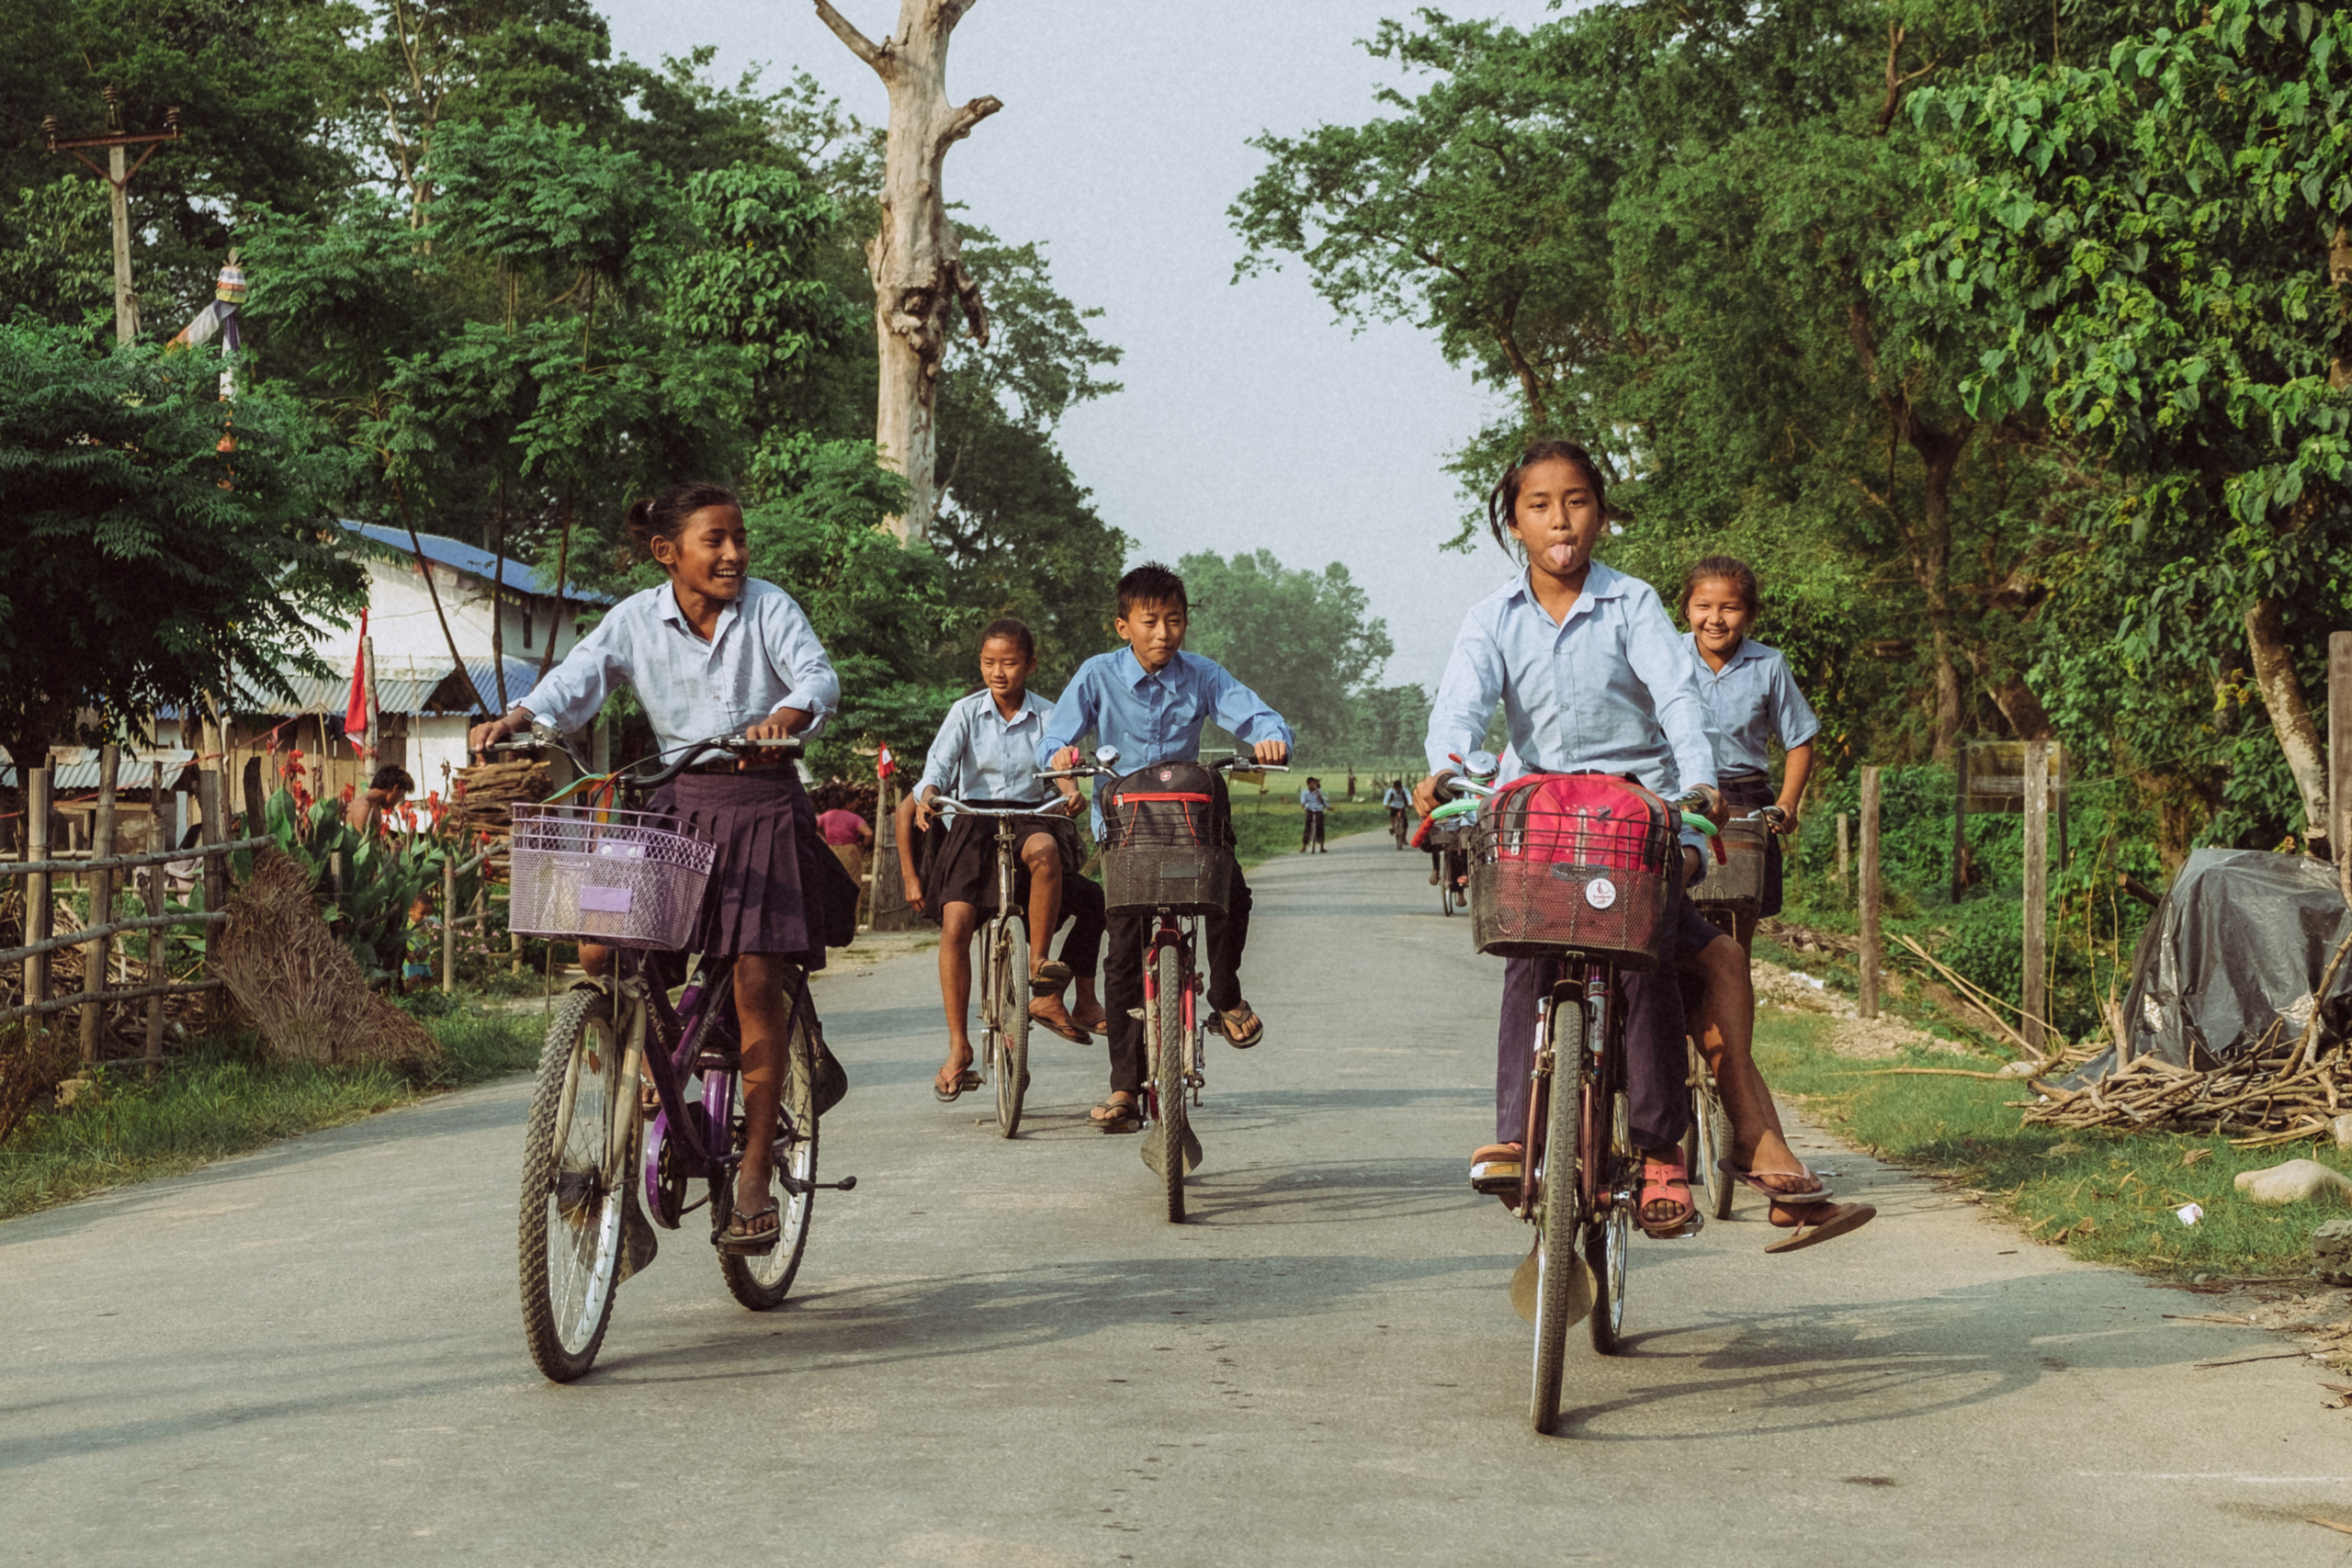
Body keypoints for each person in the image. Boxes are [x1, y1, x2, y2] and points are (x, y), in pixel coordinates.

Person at [1418, 441, 1867, 1248]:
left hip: (1638, 820)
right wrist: (1451, 768)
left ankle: (1664, 1151)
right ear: (1514, 520)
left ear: (1601, 511)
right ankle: (1518, 1139)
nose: (1561, 519)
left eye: (1578, 500)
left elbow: (1678, 697)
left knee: (1651, 948)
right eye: (1540, 504)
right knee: (1529, 944)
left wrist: (1699, 784)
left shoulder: (1632, 605)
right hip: (1545, 820)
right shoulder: (1492, 619)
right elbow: (1461, 706)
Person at [469, 479, 838, 1257]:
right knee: (601, 948)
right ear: (668, 553)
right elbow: (579, 678)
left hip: (764, 803)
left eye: (739, 538)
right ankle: (634, 1101)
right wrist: (522, 718)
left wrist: (786, 718)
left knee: (754, 981)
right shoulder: (635, 617)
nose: (734, 553)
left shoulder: (770, 608)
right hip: (673, 803)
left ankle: (751, 1180)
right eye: (716, 540)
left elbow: (817, 676)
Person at [1040, 562, 1292, 1134]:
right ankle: (1125, 1086)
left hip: (1189, 827)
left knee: (1235, 895)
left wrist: (1270, 738)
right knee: (1123, 950)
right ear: (1122, 625)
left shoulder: (1202, 676)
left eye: (1174, 621)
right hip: (1125, 831)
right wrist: (1061, 759)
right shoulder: (1096, 675)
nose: (1163, 634)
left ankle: (1224, 994)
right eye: (1149, 622)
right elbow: (1056, 735)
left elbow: (1253, 713)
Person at [1675, 556, 1860, 1239]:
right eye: (1703, 606)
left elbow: (1801, 737)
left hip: (1747, 802)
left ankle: (1730, 1046)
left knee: (1732, 951)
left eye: (1728, 608)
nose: (1714, 618)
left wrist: (1785, 804)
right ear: (1685, 609)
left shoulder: (1769, 665)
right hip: (1685, 794)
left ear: (1747, 615)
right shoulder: (1664, 659)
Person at [899, 618, 1107, 1100]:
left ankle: (1038, 965)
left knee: (1047, 852)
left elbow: (1062, 764)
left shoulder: (1051, 715)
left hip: (1030, 816)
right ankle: (958, 1049)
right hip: (974, 821)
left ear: (1030, 665)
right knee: (956, 923)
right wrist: (931, 792)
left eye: (1009, 663)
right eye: (989, 662)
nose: (999, 672)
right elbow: (938, 766)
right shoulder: (966, 712)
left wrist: (1071, 791)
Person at [346, 765, 413, 835]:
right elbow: (361, 844)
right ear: (395, 789)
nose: (397, 801)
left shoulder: (373, 806)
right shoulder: (364, 808)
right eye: (400, 796)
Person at [1298, 776, 1329, 852]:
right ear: (1308, 784)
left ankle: (1321, 846)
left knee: (1320, 825)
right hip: (1309, 809)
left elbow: (1321, 799)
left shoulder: (1319, 791)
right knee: (1307, 826)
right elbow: (1303, 802)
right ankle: (1304, 846)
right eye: (1312, 783)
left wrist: (1317, 791)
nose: (1314, 785)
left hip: (1318, 809)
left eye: (1315, 783)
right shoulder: (1304, 793)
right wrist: (1304, 806)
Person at [1383, 780, 1409, 848]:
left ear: (1401, 787)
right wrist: (1386, 804)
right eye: (1396, 788)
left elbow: (1408, 798)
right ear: (1394, 787)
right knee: (1392, 815)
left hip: (1401, 807)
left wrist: (1410, 804)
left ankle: (1403, 838)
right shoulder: (1391, 792)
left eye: (1399, 788)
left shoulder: (1403, 792)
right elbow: (1386, 798)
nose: (1398, 789)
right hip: (1393, 806)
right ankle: (1392, 827)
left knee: (1405, 824)